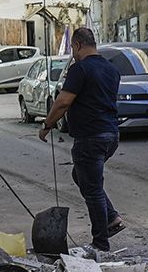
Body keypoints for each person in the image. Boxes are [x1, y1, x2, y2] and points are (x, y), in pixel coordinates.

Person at [40, 28, 128, 250]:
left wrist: (47, 125)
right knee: (82, 176)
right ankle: (111, 218)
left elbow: (62, 102)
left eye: (73, 49)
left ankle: (101, 242)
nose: (73, 53)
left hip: (90, 137)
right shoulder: (111, 69)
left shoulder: (80, 69)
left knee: (92, 188)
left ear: (78, 45)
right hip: (111, 135)